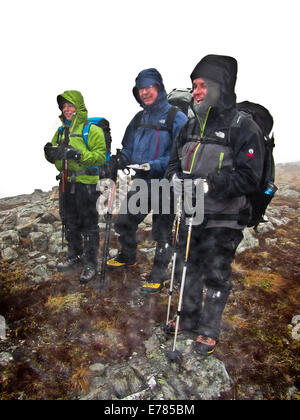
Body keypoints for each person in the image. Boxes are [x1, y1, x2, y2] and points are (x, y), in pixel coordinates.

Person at [164, 55, 265, 355]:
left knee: (217, 271)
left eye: (201, 85)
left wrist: (212, 184)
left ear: (220, 87)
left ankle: (209, 329)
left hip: (226, 216)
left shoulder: (242, 126)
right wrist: (175, 179)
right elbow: (173, 162)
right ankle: (188, 316)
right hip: (193, 213)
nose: (195, 91)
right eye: (193, 86)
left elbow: (251, 177)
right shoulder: (189, 126)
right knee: (189, 266)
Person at [106, 68, 188, 293]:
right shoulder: (139, 118)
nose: (145, 92)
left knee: (162, 233)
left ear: (159, 88)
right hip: (142, 181)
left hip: (165, 183)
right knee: (124, 222)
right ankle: (128, 256)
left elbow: (181, 154)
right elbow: (129, 147)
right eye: (141, 89)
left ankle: (158, 276)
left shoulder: (176, 117)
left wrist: (155, 165)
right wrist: (121, 159)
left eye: (149, 87)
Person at [44, 90, 106, 284]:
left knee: (89, 224)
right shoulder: (61, 131)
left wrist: (78, 155)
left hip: (86, 184)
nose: (67, 109)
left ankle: (90, 263)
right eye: (64, 106)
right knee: (69, 221)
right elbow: (55, 156)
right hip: (66, 182)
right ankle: (74, 256)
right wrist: (49, 153)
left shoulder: (92, 130)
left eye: (70, 105)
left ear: (79, 107)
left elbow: (100, 156)